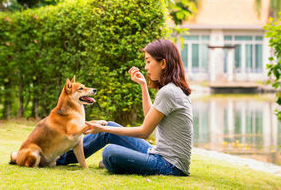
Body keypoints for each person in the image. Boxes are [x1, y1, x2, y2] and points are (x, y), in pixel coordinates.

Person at [55, 39, 193, 176]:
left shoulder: (168, 92)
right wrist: (143, 85)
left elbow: (144, 132)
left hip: (168, 165)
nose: (145, 67)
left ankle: (114, 162)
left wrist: (102, 128)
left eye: (148, 61)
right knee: (109, 130)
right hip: (159, 154)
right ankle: (58, 158)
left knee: (110, 152)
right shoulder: (172, 89)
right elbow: (149, 117)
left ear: (163, 63)